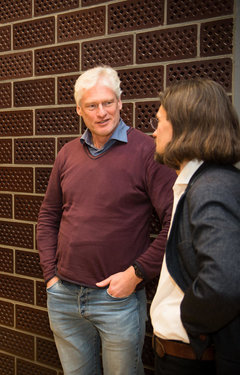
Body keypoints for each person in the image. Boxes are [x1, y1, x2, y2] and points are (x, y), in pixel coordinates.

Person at [37, 65, 177, 375]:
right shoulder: (67, 154)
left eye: (108, 102)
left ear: (120, 102)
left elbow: (175, 220)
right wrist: (51, 276)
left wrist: (136, 274)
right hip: (65, 298)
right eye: (92, 105)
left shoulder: (148, 151)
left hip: (118, 301)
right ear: (79, 110)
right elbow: (48, 217)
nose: (102, 112)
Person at [150, 78, 240, 374]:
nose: (154, 131)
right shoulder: (203, 182)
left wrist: (188, 320)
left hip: (191, 358)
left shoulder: (211, 187)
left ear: (183, 125)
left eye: (159, 121)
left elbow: (224, 282)